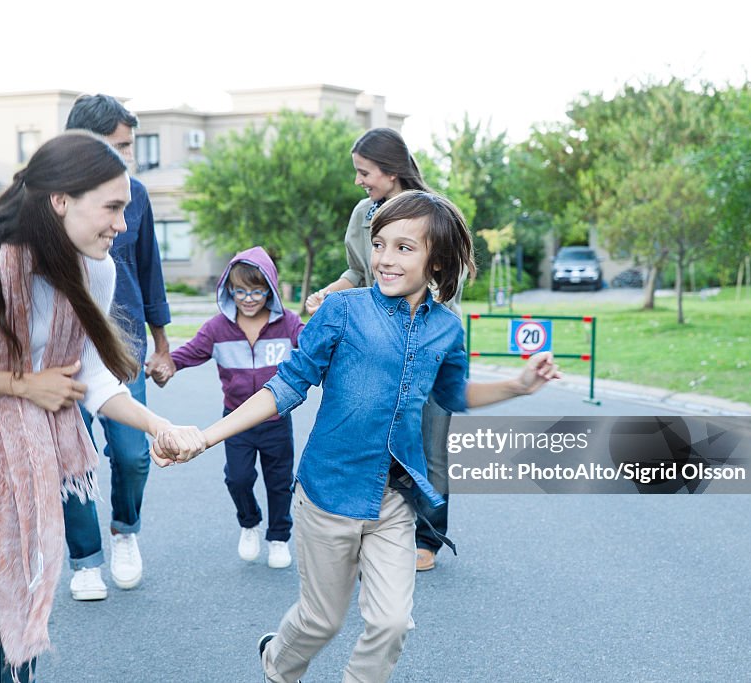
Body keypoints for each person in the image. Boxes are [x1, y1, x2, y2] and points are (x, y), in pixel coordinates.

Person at [154, 191, 562, 683]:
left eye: (405, 248)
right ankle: (277, 665)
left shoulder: (447, 330)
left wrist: (519, 385)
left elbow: (452, 395)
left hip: (394, 501)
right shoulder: (342, 312)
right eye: (380, 244)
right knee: (320, 620)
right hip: (328, 493)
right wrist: (206, 437)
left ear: (438, 262)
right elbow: (285, 386)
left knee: (391, 622)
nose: (385, 259)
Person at [0, 131, 204, 683]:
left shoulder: (93, 269)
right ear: (61, 200)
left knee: (23, 579)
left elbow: (89, 374)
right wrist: (23, 385)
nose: (122, 225)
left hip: (22, 433)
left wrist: (159, 425)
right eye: (112, 207)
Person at [305, 127, 457, 572]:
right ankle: (373, 529)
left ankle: (427, 537)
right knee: (372, 436)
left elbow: (447, 285)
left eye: (364, 172)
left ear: (391, 172)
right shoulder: (362, 214)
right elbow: (357, 272)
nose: (359, 181)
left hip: (425, 343)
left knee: (430, 443)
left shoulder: (434, 214)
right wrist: (328, 296)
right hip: (372, 346)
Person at [62, 93, 175, 601]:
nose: (126, 158)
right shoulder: (50, 197)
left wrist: (162, 344)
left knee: (133, 454)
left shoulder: (138, 195)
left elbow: (148, 268)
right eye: (119, 147)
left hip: (123, 345)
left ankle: (124, 531)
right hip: (61, 350)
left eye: (129, 147)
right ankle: (85, 559)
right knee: (73, 457)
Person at [168, 247, 303, 569]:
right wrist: (161, 365)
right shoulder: (218, 328)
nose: (249, 298)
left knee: (279, 481)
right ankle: (249, 522)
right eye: (240, 291)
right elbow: (186, 354)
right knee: (238, 478)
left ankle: (279, 537)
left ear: (270, 288)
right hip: (236, 421)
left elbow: (315, 350)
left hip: (276, 420)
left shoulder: (288, 324)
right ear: (229, 289)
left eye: (257, 291)